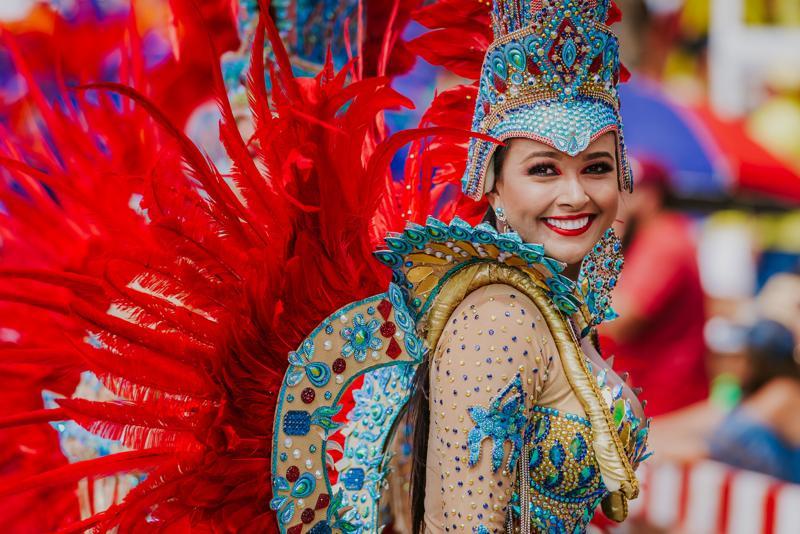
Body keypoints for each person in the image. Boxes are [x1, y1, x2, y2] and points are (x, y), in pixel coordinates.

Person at [0, 0, 649, 532]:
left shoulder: (543, 304)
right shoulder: (498, 320)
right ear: (490, 181)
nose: (574, 194)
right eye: (543, 169)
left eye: (595, 166)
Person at [600, 160, 708, 416]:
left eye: (626, 190)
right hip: (653, 396)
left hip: (664, 404)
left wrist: (608, 234)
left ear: (651, 196)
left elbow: (620, 321)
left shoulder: (663, 241)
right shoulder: (657, 236)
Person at [708, 319, 800, 483]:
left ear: (763, 362)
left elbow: (727, 437)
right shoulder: (745, 394)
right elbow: (711, 416)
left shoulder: (784, 391)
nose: (731, 366)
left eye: (742, 358)